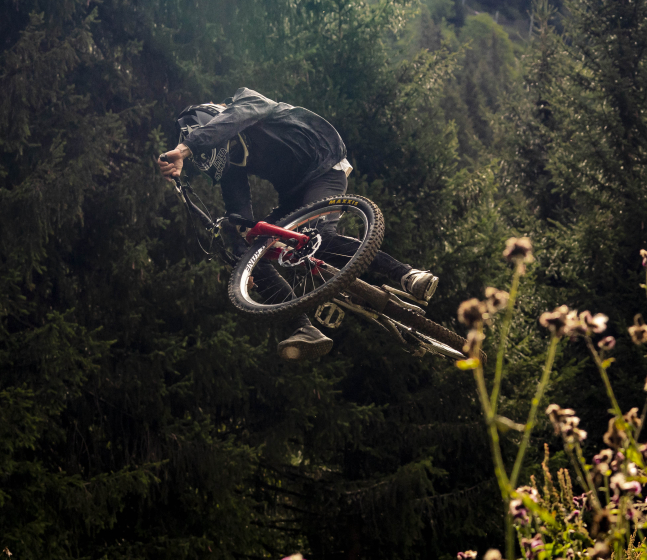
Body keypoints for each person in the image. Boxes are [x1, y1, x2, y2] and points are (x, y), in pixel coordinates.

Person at [158, 87, 439, 361]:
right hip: (293, 197)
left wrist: (186, 149)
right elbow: (239, 216)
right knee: (249, 250)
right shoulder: (233, 167)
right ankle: (303, 328)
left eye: (228, 147)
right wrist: (242, 267)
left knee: (320, 238)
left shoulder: (246, 101)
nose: (232, 155)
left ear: (215, 122)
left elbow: (239, 115)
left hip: (325, 168)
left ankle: (407, 275)